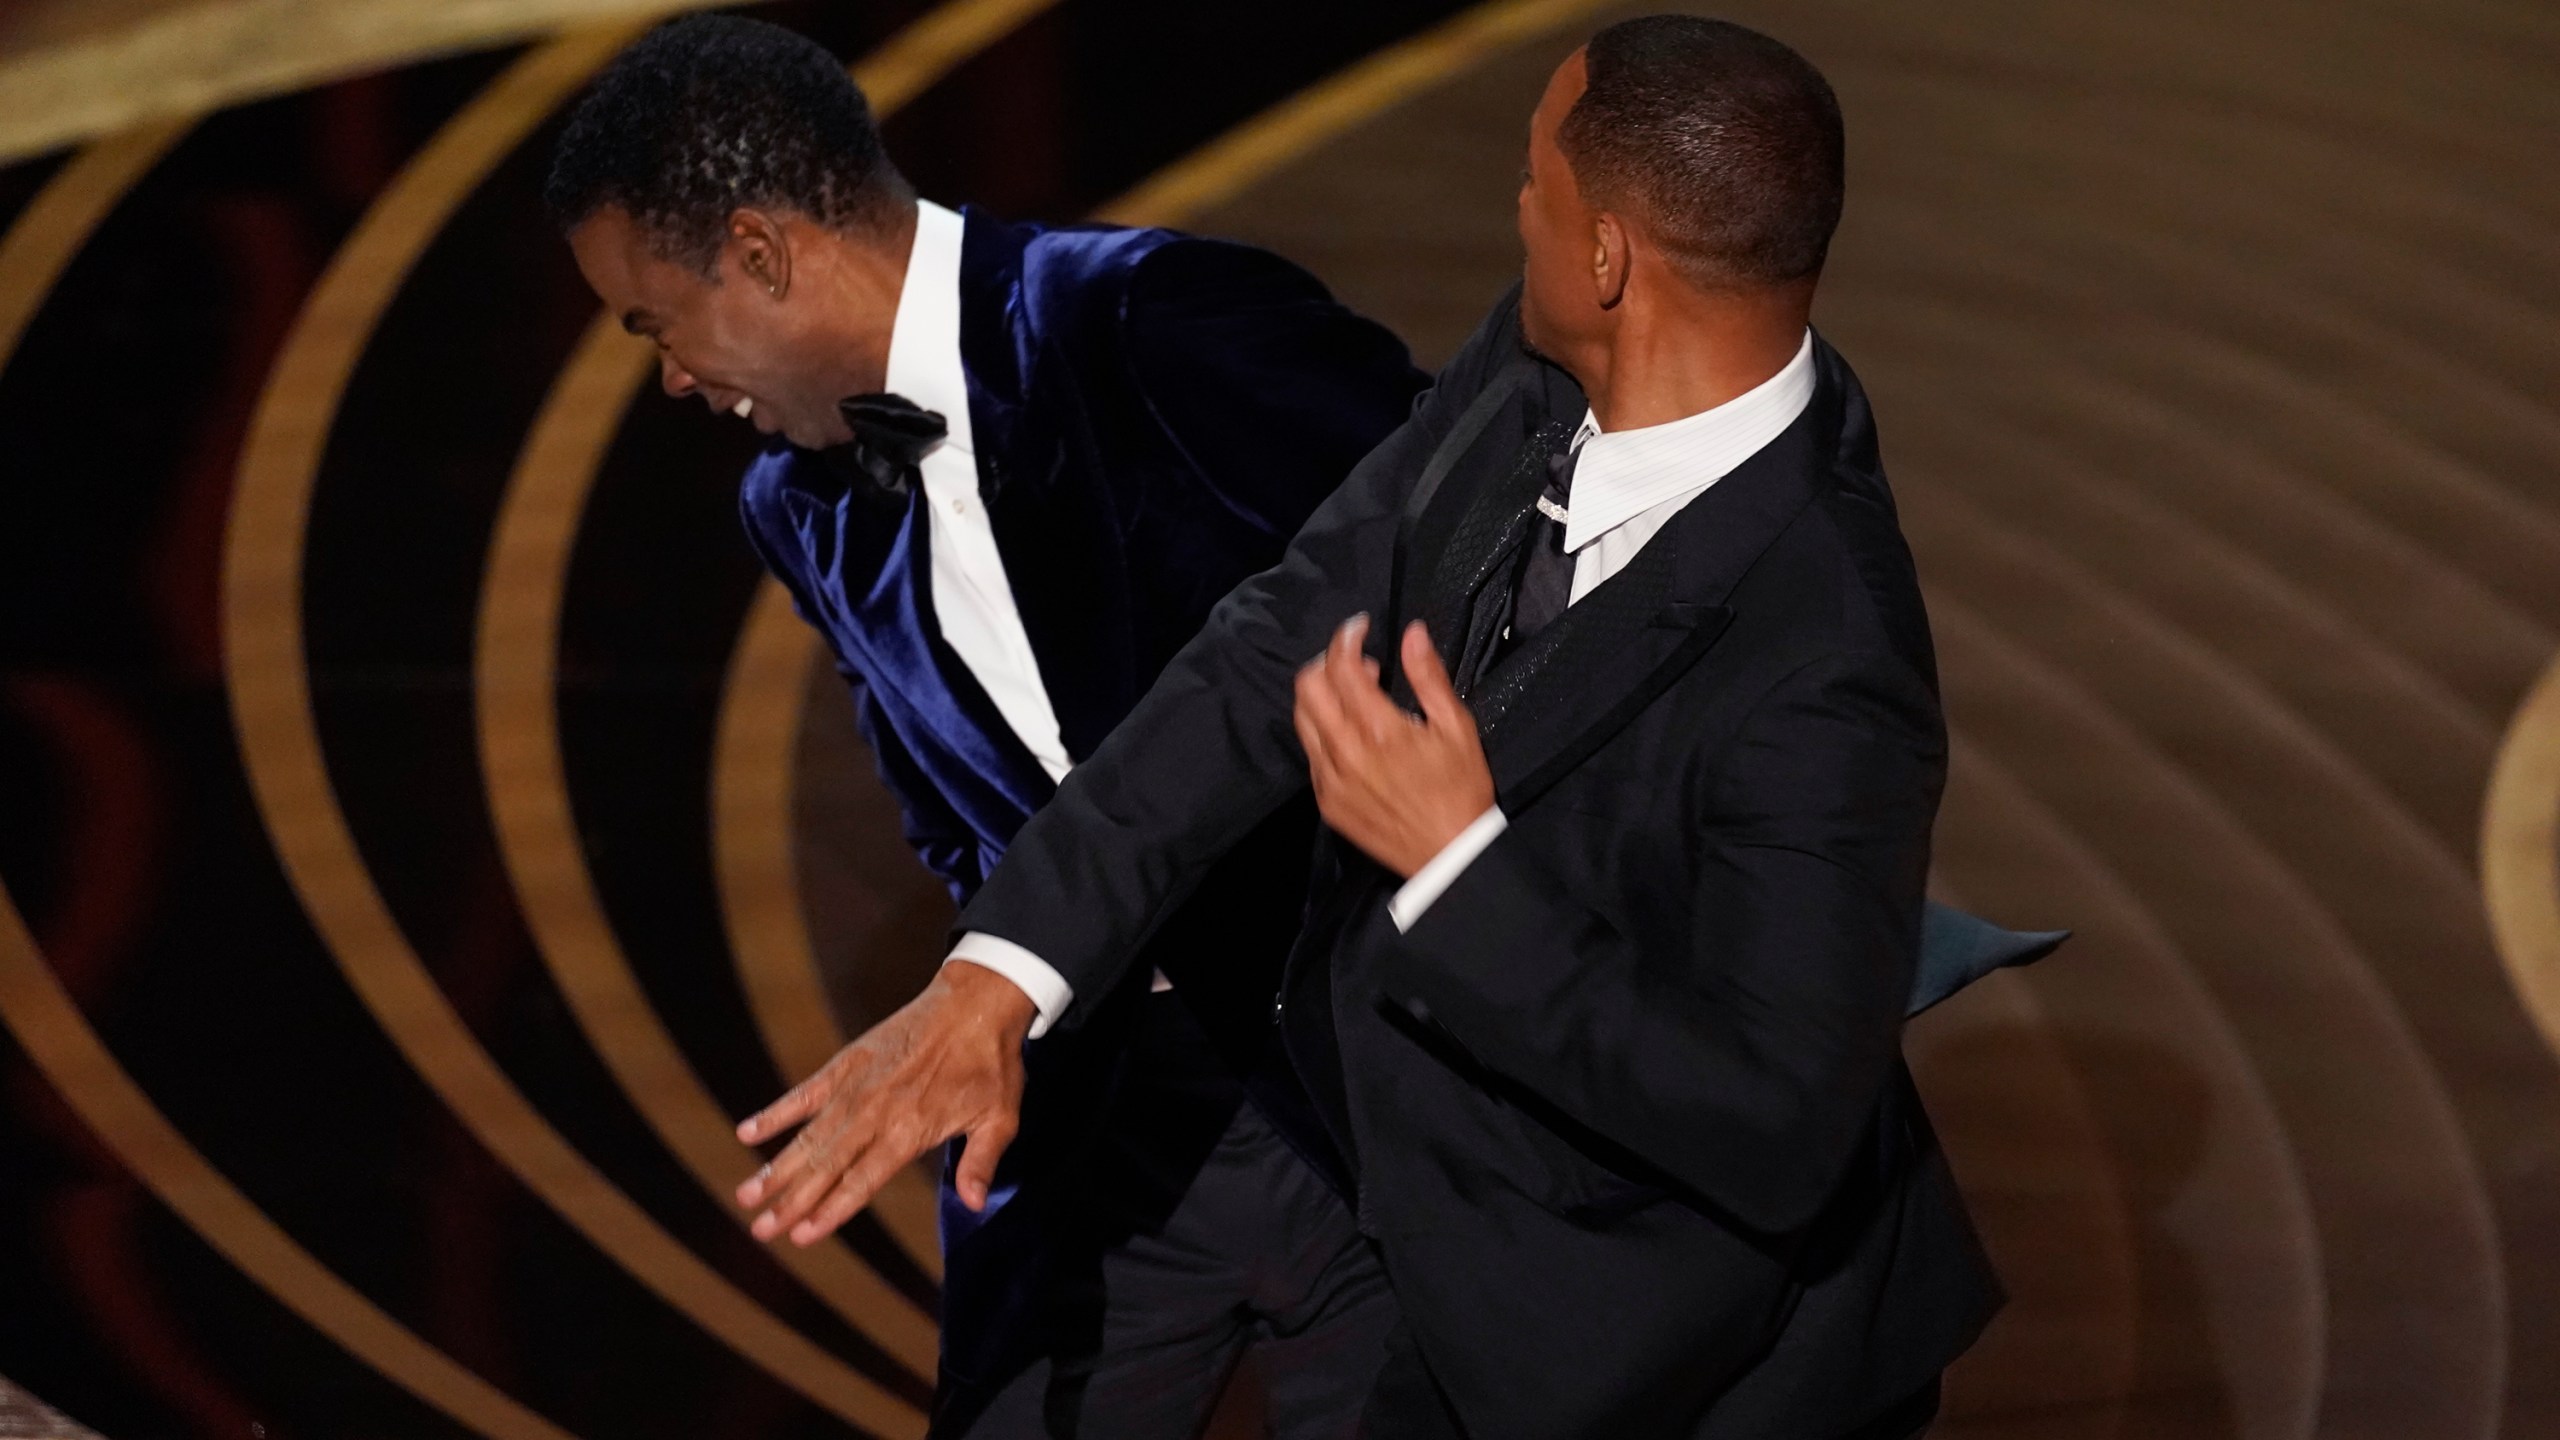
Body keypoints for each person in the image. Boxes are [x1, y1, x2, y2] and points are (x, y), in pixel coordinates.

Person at [732, 16, 2017, 1439]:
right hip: (1456, 1287)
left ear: (1606, 257)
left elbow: (1770, 1128)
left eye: (1535, 182)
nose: (1512, 207)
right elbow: (1273, 643)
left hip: (1696, 1374)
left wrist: (1457, 864)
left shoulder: (1829, 651)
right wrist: (1002, 975)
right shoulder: (1539, 375)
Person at [544, 16, 1431, 1437]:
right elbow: (947, 811)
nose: (670, 378)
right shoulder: (797, 507)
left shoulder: (1153, 318)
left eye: (656, 323)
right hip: (1092, 1125)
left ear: (764, 256)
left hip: (1371, 1102)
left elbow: (1472, 580)